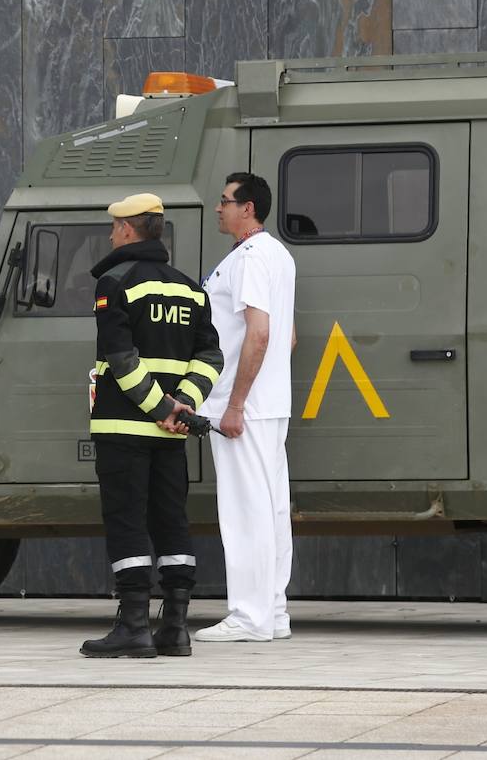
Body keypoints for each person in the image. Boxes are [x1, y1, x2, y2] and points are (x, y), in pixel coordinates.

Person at [81, 193, 223, 659]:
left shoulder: (115, 282)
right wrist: (183, 404)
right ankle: (176, 628)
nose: (110, 234)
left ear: (127, 230)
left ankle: (134, 626)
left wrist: (158, 406)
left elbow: (120, 356)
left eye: (114, 227)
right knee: (171, 522)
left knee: (127, 522)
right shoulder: (189, 289)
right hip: (172, 435)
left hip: (126, 427)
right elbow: (210, 355)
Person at [194, 173, 297, 643]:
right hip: (270, 403)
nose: (218, 208)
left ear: (248, 208)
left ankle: (249, 616)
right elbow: (287, 337)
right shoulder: (278, 255)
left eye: (225, 201)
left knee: (245, 510)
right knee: (271, 507)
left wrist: (235, 404)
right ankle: (272, 612)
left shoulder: (251, 259)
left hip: (245, 407)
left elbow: (258, 333)